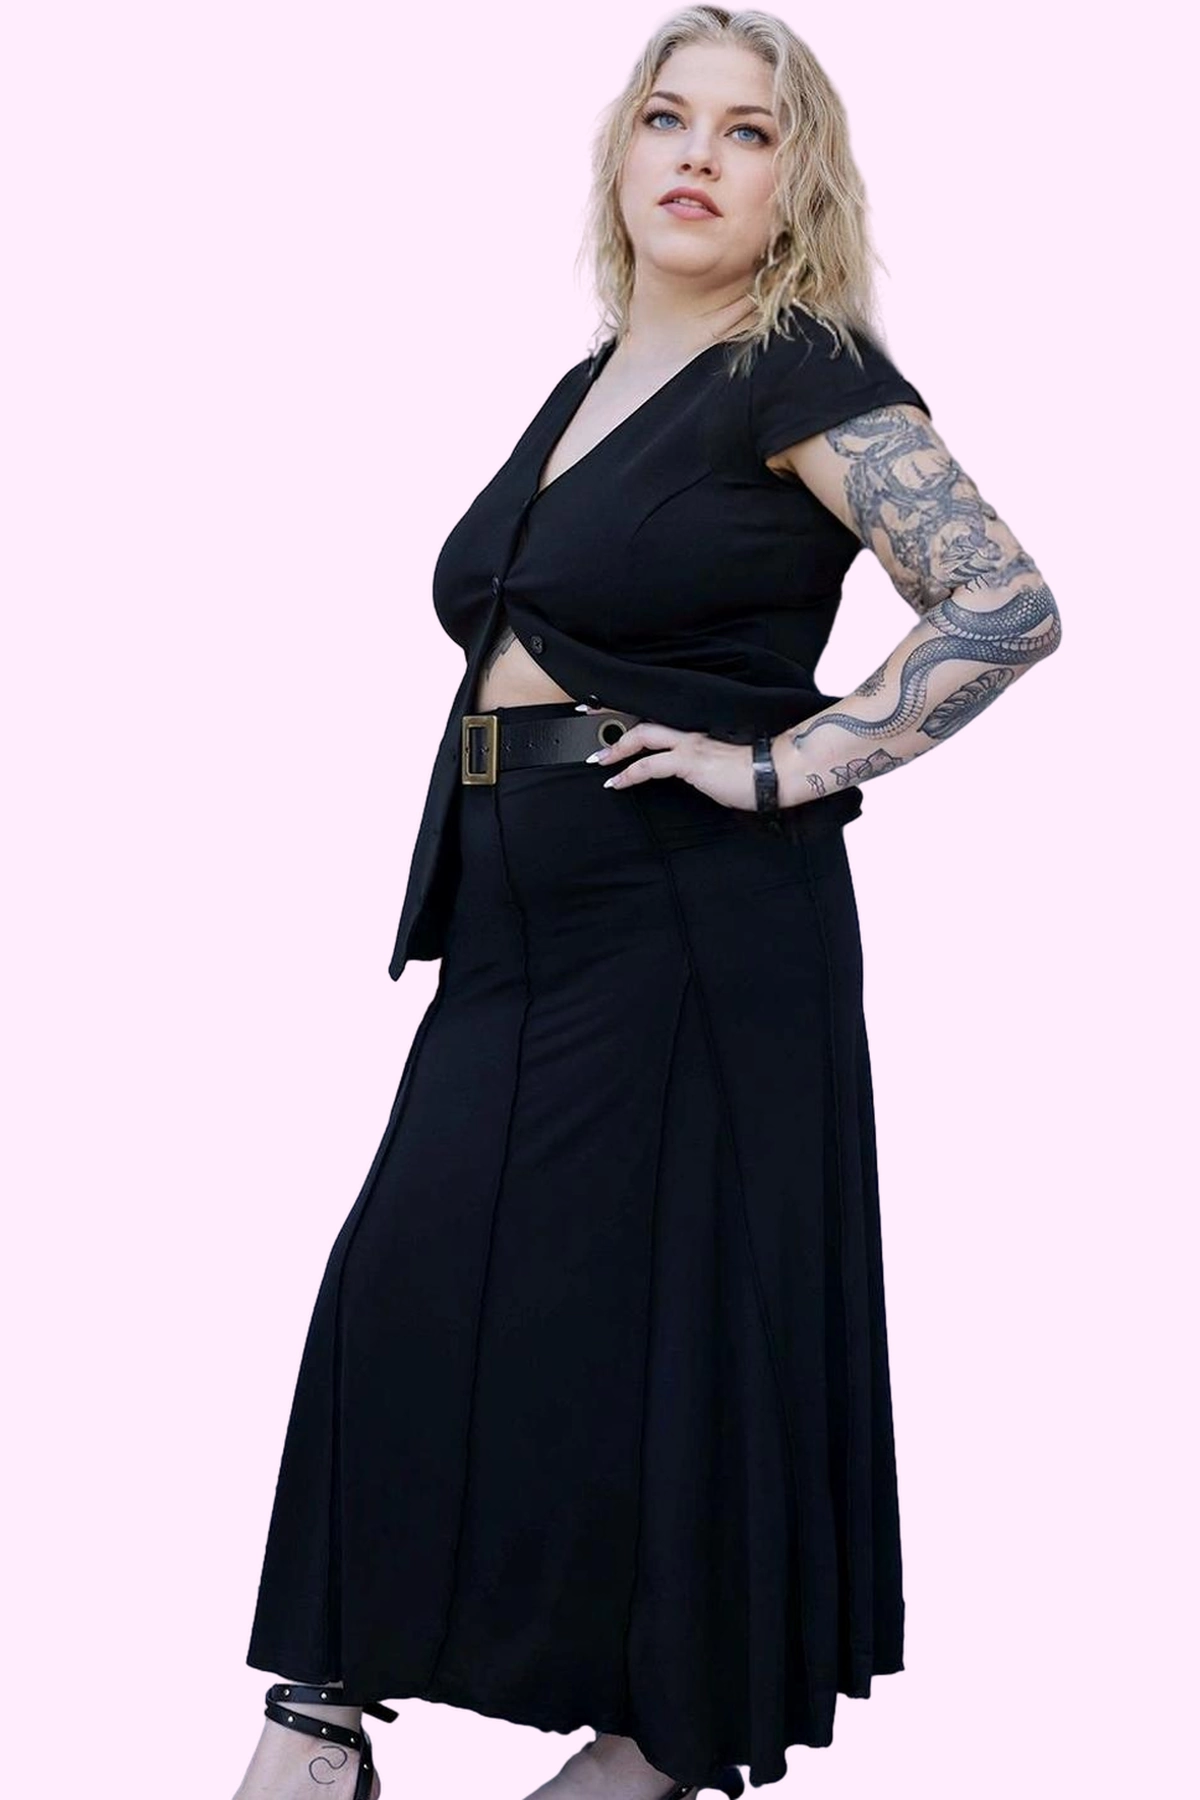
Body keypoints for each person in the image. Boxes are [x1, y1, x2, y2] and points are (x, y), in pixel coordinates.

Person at [234, 9, 1061, 1800]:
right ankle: (327, 1723)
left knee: (682, 1319)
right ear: (621, 152)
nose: (698, 153)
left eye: (749, 131)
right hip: (522, 916)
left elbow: (1003, 604)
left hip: (692, 916)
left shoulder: (801, 365)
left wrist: (786, 767)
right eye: (668, 117)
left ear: (797, 180)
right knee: (419, 1285)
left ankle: (644, 1746)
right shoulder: (598, 374)